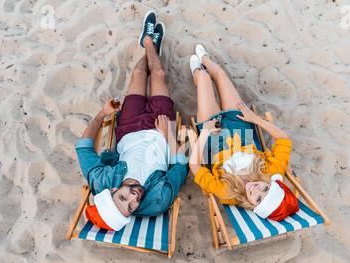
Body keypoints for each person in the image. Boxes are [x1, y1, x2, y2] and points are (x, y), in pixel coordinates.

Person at [75, 11, 188, 231]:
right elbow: (181, 167)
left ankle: (148, 44)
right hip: (161, 130)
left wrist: (102, 114)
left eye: (123, 197)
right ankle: (150, 44)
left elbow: (83, 148)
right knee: (159, 76)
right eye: (130, 207)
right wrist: (168, 135)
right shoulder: (157, 201)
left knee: (138, 72)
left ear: (111, 192)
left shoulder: (101, 182)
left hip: (129, 128)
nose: (133, 198)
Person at [188, 44, 299, 221]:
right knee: (221, 75)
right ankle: (204, 59)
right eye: (266, 189)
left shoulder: (227, 193)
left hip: (214, 137)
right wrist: (254, 119)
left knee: (202, 77)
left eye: (258, 199)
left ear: (251, 205)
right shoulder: (272, 172)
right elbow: (284, 139)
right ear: (272, 185)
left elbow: (194, 167)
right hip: (242, 127)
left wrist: (205, 133)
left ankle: (198, 71)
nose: (257, 189)